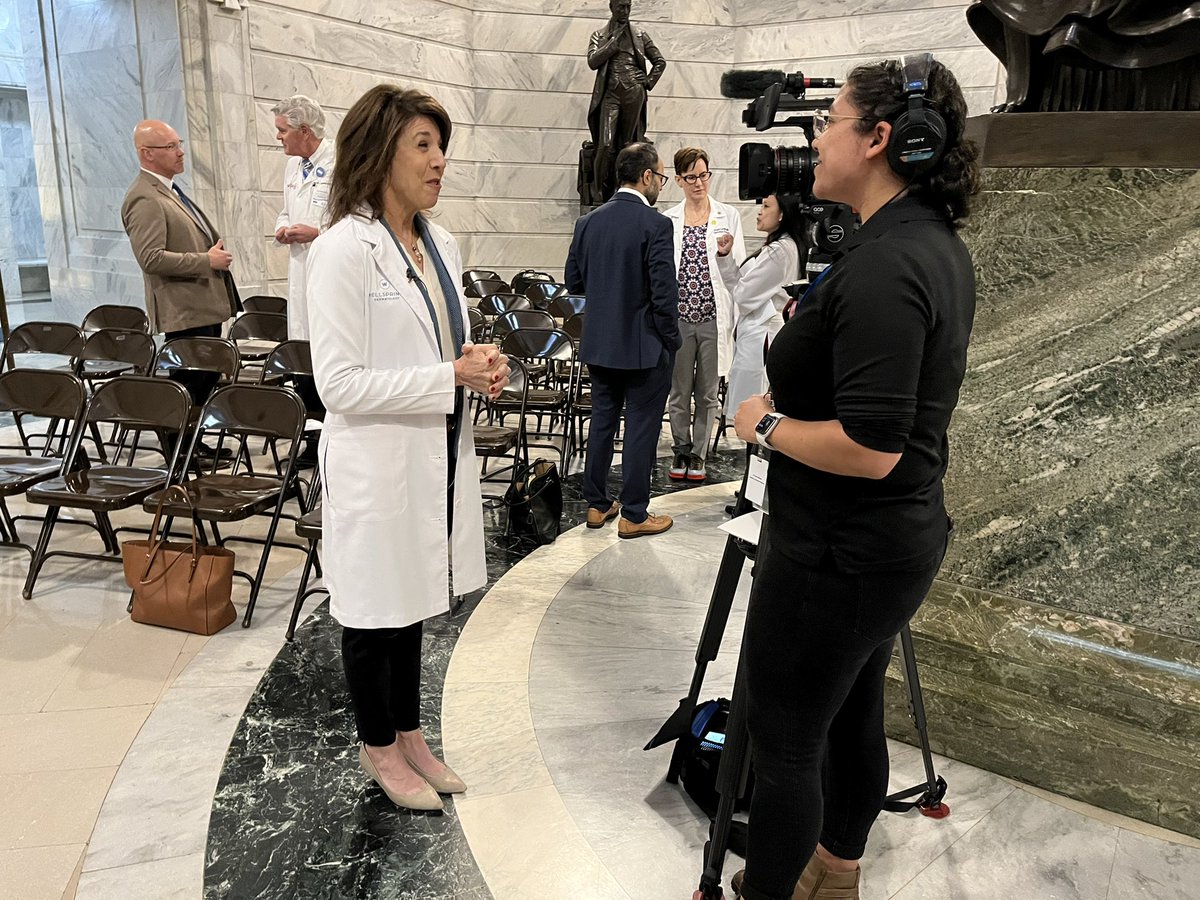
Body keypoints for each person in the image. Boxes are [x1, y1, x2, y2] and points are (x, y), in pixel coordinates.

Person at [728, 55, 980, 900]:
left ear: (880, 139)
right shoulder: (921, 245)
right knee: (852, 711)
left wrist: (762, 423)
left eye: (831, 122)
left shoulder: (884, 265)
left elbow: (872, 445)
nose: (816, 140)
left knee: (789, 741)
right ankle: (836, 872)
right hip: (885, 549)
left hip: (837, 551)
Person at [306, 85, 509, 811]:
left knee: (415, 599)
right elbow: (337, 384)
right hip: (375, 460)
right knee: (373, 611)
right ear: (378, 151)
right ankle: (378, 745)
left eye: (440, 145)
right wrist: (443, 376)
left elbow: (441, 347)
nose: (439, 160)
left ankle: (411, 733)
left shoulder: (441, 243)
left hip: (434, 452)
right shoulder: (341, 250)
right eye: (422, 145)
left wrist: (476, 365)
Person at [564, 142, 681, 539]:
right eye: (661, 177)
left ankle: (596, 507)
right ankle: (633, 513)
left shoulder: (588, 223)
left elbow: (573, 282)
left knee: (602, 423)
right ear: (646, 176)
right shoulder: (656, 224)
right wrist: (672, 341)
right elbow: (664, 294)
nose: (660, 185)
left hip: (599, 343)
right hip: (645, 346)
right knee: (641, 429)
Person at [664, 147, 745, 483]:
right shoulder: (668, 219)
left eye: (703, 175)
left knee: (707, 393)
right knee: (679, 392)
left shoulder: (728, 215)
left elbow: (736, 269)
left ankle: (698, 454)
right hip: (680, 316)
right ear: (680, 181)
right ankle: (680, 448)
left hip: (713, 316)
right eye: (691, 177)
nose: (699, 183)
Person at [121, 119, 237, 339]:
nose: (181, 152)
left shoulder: (168, 190)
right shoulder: (145, 197)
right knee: (192, 375)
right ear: (147, 154)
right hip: (185, 316)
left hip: (203, 311)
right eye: (170, 147)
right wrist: (207, 261)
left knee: (212, 373)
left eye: (179, 144)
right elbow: (151, 258)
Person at [716, 193, 804, 416]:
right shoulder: (777, 247)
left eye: (766, 206)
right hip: (757, 332)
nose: (759, 211)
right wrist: (726, 258)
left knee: (755, 411)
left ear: (782, 214)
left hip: (763, 336)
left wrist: (730, 269)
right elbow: (743, 290)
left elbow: (744, 295)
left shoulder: (780, 251)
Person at [586, 0, 666, 203]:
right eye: (621, 6)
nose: (625, 10)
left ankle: (618, 190)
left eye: (628, 6)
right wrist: (612, 45)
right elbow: (593, 61)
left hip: (633, 92)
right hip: (611, 94)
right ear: (612, 7)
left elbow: (660, 61)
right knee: (604, 144)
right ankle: (597, 190)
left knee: (627, 145)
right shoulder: (599, 35)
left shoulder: (639, 34)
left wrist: (648, 81)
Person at [271, 94, 334, 340]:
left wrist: (318, 234)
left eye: (282, 130)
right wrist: (283, 227)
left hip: (331, 267)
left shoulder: (340, 163)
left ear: (305, 131)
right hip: (300, 266)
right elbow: (286, 211)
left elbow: (361, 220)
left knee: (327, 338)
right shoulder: (292, 166)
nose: (278, 137)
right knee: (302, 340)